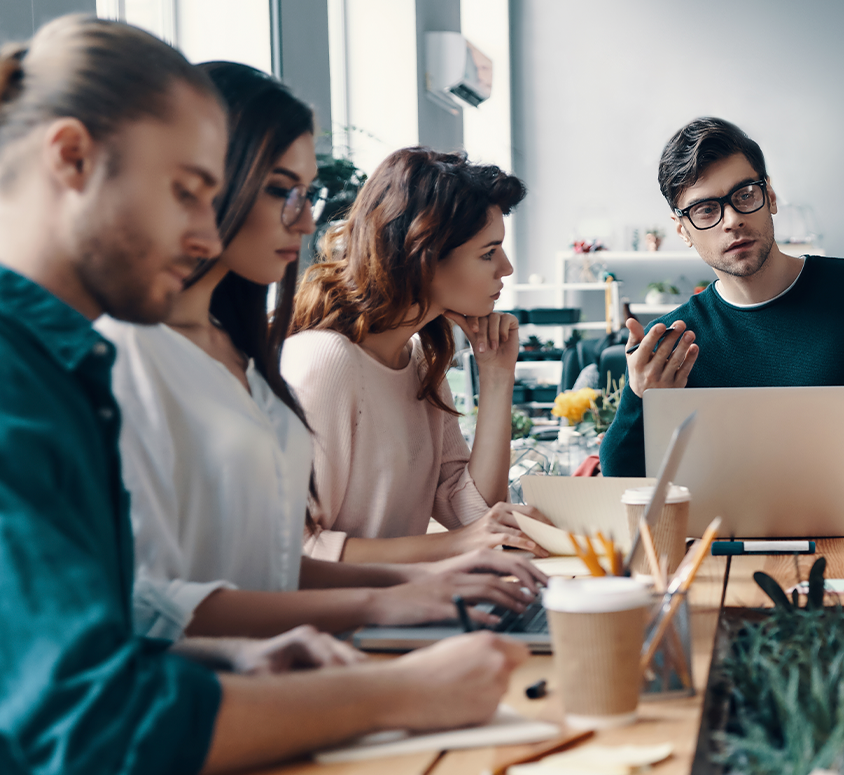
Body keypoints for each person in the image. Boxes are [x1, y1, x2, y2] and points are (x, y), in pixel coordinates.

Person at [0, 16, 527, 774]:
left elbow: (137, 622)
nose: (203, 230)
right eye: (187, 192)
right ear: (73, 159)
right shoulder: (60, 367)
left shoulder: (79, 359)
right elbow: (91, 719)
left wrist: (230, 662)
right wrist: (396, 688)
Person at [98, 61, 545, 641]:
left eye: (305, 192)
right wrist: (419, 581)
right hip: (280, 656)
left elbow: (264, 571)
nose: (309, 219)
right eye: (284, 191)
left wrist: (497, 377)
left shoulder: (258, 356)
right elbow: (172, 598)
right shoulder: (313, 360)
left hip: (288, 651)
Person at [598, 117, 844, 507]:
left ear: (771, 197)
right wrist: (638, 396)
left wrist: (837, 493)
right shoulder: (674, 341)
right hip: (722, 554)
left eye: (744, 195)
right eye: (705, 210)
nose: (732, 220)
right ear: (682, 230)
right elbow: (622, 481)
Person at [287, 148, 551, 563]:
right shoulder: (326, 361)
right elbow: (293, 549)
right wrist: (457, 544)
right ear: (423, 258)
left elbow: (472, 513)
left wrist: (497, 376)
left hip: (397, 608)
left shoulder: (418, 360)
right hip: (331, 622)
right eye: (488, 253)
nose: (506, 268)